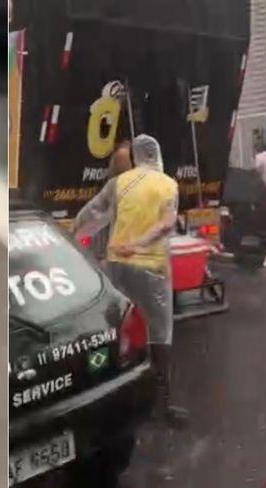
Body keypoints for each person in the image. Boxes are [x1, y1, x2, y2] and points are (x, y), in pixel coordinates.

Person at [70, 134, 189, 427]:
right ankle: (167, 403)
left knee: (115, 329)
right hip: (153, 269)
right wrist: (141, 244)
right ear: (157, 154)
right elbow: (166, 225)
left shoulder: (119, 183)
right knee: (160, 334)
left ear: (136, 156)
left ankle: (106, 399)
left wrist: (71, 236)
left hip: (119, 268)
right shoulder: (168, 185)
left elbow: (92, 214)